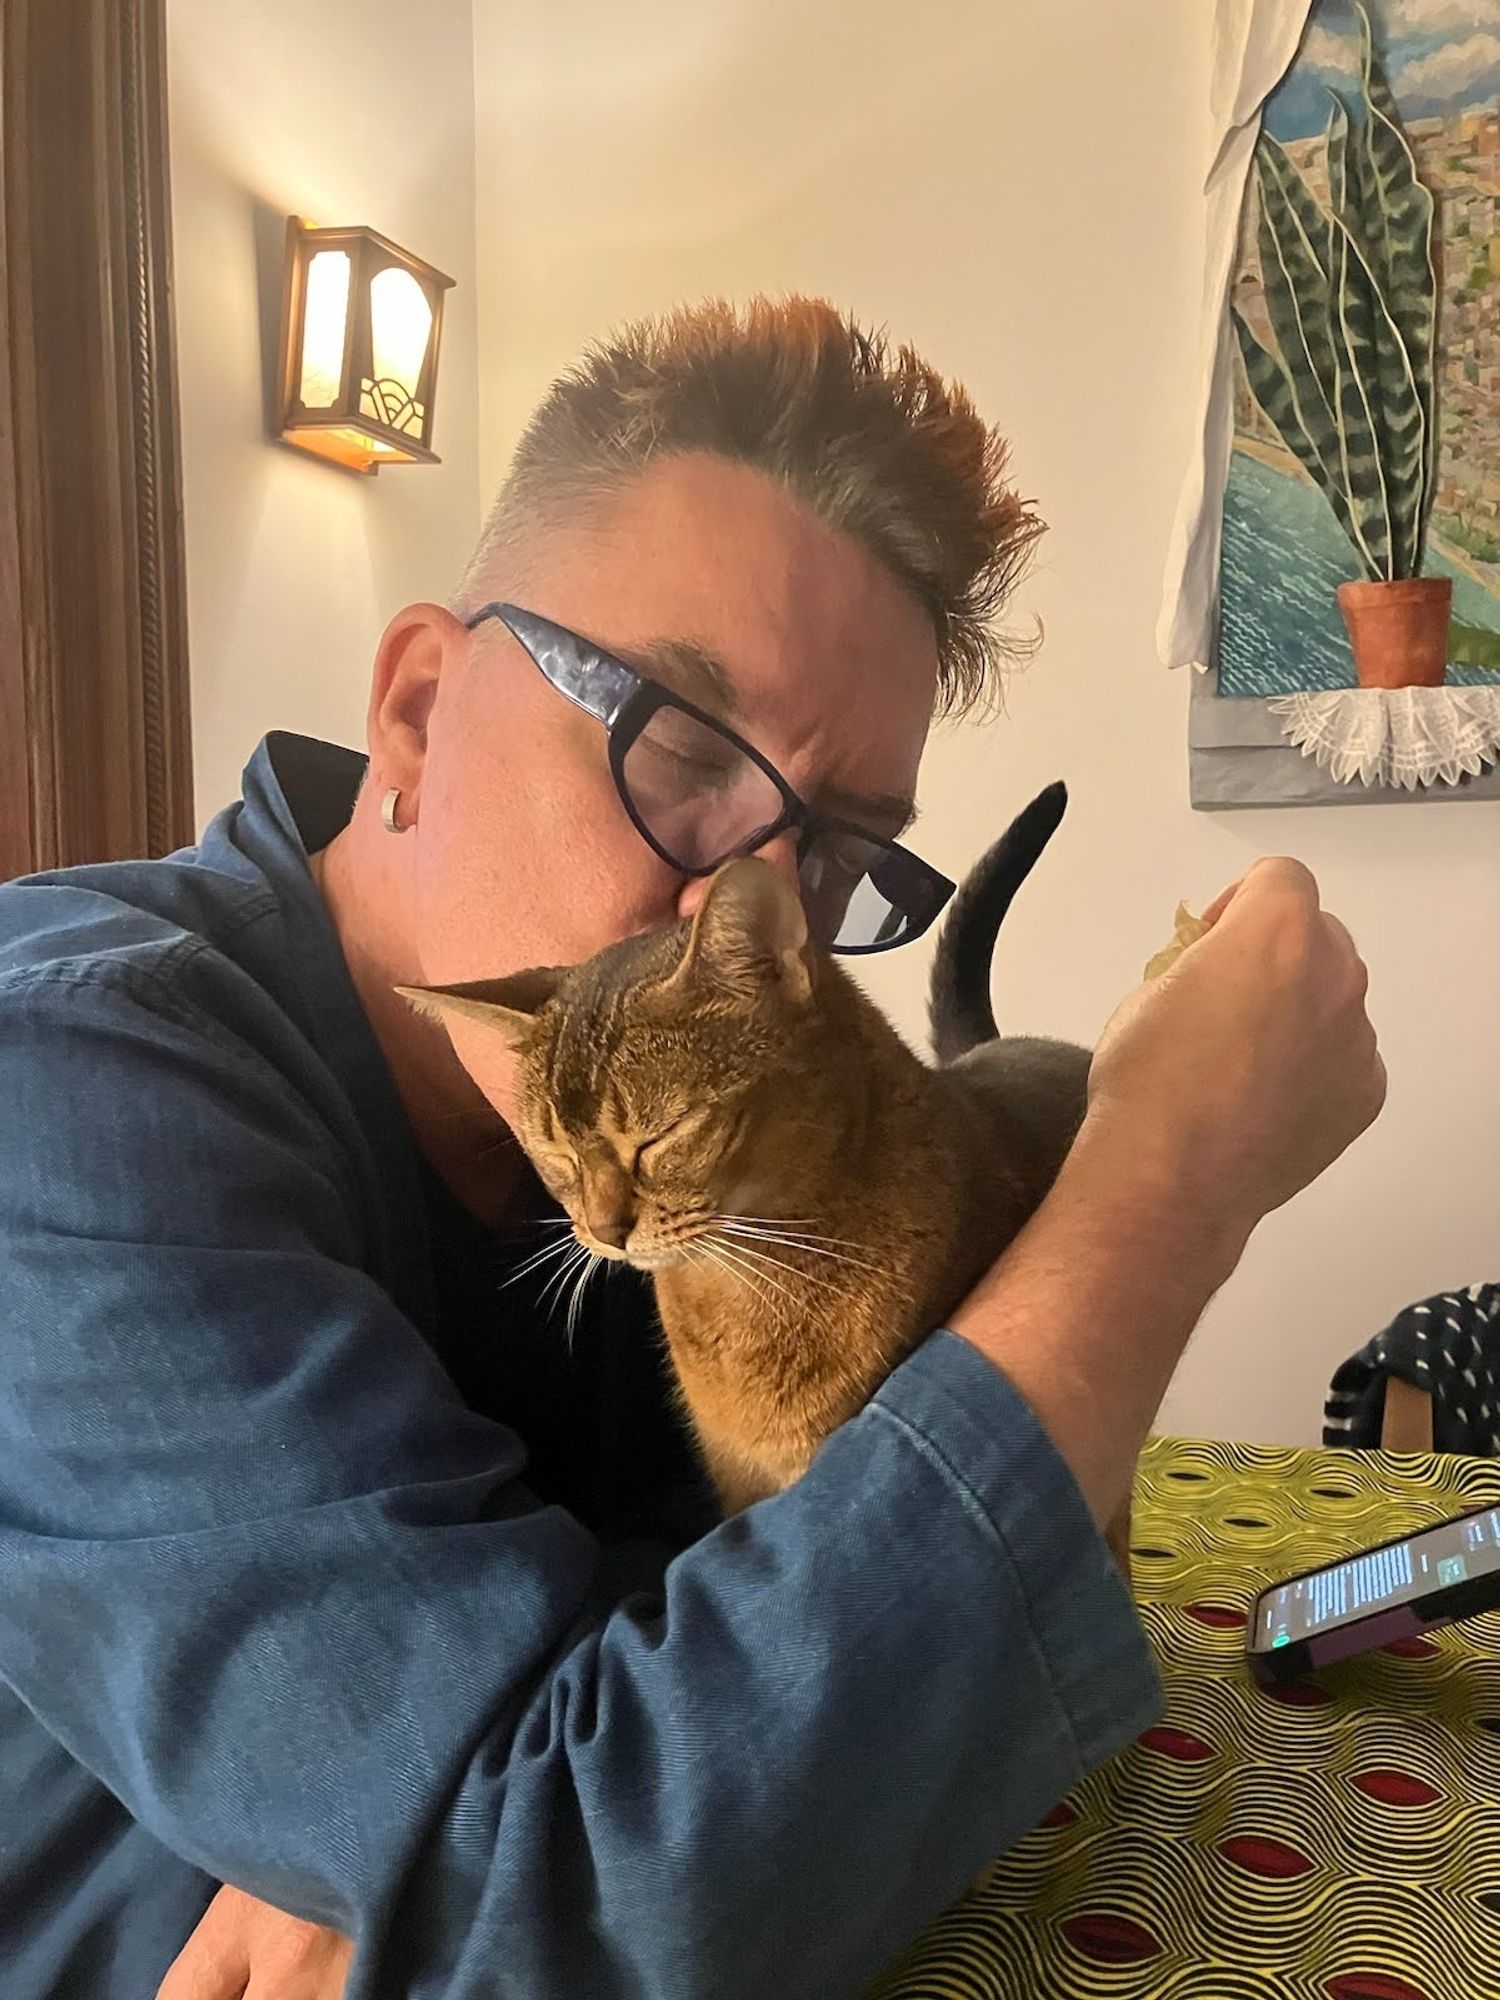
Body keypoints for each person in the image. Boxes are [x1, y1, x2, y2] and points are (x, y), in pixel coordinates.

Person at [0, 297, 1384, 2000]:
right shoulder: (66, 1085)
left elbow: (714, 1636)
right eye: (678, 749)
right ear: (419, 712)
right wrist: (1167, 1185)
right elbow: (593, 1889)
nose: (747, 916)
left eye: (838, 857)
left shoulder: (638, 1150)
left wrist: (431, 1835)